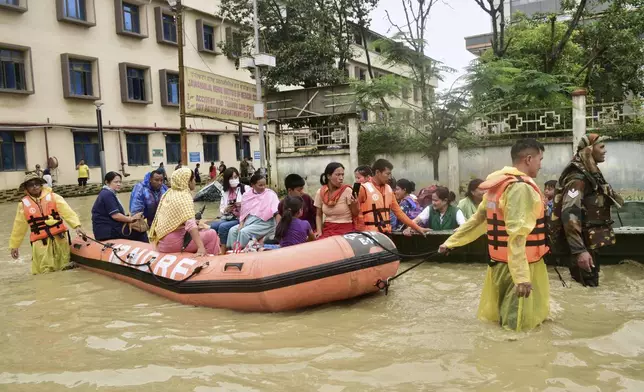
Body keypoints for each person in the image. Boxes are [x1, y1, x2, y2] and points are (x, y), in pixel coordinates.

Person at [438, 139, 550, 332]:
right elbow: (517, 233)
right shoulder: (520, 187)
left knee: (502, 319)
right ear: (529, 159)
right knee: (518, 325)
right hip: (519, 266)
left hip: (499, 265)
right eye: (540, 159)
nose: (541, 164)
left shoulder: (498, 184)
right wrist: (521, 277)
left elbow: (477, 220)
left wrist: (450, 243)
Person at [550, 134, 623, 287]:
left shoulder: (590, 174)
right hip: (582, 246)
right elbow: (569, 215)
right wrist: (579, 251)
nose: (605, 151)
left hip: (589, 244)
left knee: (590, 287)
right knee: (586, 285)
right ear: (589, 150)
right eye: (601, 146)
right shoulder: (577, 178)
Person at [9, 173, 85, 274]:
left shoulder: (54, 197)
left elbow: (68, 212)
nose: (35, 186)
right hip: (40, 242)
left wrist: (77, 226)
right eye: (31, 185)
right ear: (26, 188)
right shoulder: (23, 205)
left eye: (37, 183)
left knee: (64, 265)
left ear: (41, 185)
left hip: (59, 238)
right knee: (44, 270)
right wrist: (15, 246)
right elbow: (19, 227)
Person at [150, 168, 220, 256]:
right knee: (212, 234)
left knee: (203, 228)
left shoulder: (168, 194)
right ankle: (209, 260)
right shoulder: (184, 196)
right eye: (193, 179)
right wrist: (200, 247)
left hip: (162, 242)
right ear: (187, 181)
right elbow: (190, 225)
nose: (195, 181)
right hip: (173, 244)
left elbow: (174, 220)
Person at [356, 159, 429, 235]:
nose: (390, 177)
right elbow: (354, 213)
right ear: (377, 172)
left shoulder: (389, 189)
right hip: (369, 235)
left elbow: (399, 213)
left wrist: (417, 228)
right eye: (387, 174)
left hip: (386, 234)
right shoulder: (362, 188)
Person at [227, 173, 280, 248]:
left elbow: (277, 212)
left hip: (264, 223)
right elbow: (243, 213)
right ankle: (233, 251)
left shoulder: (270, 194)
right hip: (249, 221)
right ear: (252, 185)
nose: (263, 187)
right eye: (260, 185)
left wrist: (278, 228)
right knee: (232, 231)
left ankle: (242, 252)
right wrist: (241, 224)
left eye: (264, 185)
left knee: (244, 232)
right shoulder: (247, 195)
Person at [91, 171, 147, 242]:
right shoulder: (107, 194)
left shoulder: (107, 193)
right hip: (107, 231)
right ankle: (148, 250)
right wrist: (131, 219)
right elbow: (116, 216)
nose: (119, 184)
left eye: (120, 182)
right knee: (140, 231)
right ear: (107, 182)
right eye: (116, 182)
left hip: (107, 229)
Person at [210, 167, 250, 254]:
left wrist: (241, 204)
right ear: (227, 180)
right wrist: (226, 209)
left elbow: (252, 205)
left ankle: (223, 250)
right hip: (229, 217)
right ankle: (216, 247)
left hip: (241, 218)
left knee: (223, 227)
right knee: (213, 226)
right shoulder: (225, 191)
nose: (234, 180)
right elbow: (221, 209)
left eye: (235, 177)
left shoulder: (245, 189)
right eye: (231, 178)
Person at [314, 162, 359, 239]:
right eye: (338, 175)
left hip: (345, 229)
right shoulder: (321, 192)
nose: (341, 178)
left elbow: (355, 214)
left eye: (342, 175)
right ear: (328, 176)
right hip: (327, 228)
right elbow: (318, 215)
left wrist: (355, 204)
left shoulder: (347, 190)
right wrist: (319, 231)